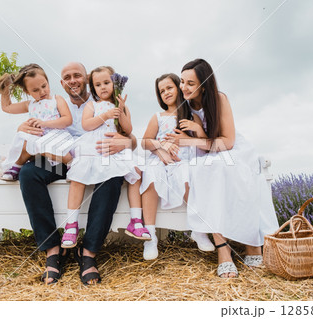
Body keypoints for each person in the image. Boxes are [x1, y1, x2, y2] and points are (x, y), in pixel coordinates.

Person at [17, 62, 137, 285]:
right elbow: (33, 133)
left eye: (77, 76)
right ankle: (54, 249)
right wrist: (23, 129)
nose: (73, 80)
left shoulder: (104, 102)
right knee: (29, 173)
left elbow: (131, 137)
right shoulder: (52, 104)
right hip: (61, 160)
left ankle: (88, 252)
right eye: (67, 77)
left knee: (112, 178)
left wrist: (127, 142)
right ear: (61, 83)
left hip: (97, 158)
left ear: (87, 79)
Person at [167, 58, 279, 278]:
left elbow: (226, 142)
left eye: (190, 83)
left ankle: (252, 244)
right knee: (199, 171)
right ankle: (223, 249)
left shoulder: (219, 99)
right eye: (182, 81)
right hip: (204, 151)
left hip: (231, 150)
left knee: (228, 170)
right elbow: (182, 138)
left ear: (204, 85)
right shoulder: (184, 105)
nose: (184, 87)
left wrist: (193, 138)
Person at [65, 66, 150, 250]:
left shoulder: (121, 105)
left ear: (114, 83)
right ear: (93, 88)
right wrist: (104, 115)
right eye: (97, 84)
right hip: (94, 145)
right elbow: (86, 125)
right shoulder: (92, 105)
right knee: (77, 176)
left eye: (106, 82)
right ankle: (71, 224)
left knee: (136, 172)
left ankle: (135, 220)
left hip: (115, 146)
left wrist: (120, 110)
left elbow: (128, 130)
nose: (102, 87)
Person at [140, 73, 214, 260]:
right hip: (160, 158)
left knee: (187, 173)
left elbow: (204, 142)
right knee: (151, 174)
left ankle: (198, 230)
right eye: (161, 91)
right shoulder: (158, 117)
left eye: (169, 88)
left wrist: (196, 130)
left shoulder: (191, 116)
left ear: (178, 88)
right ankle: (150, 235)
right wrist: (160, 148)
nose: (166, 93)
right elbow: (145, 142)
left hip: (183, 159)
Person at [0, 64, 73, 181]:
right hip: (37, 137)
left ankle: (72, 165)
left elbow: (67, 120)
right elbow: (7, 107)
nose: (42, 91)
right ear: (27, 91)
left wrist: (44, 123)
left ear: (47, 81)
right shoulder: (30, 105)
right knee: (24, 144)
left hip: (55, 135)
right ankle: (16, 166)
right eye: (35, 90)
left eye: (44, 86)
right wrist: (5, 88)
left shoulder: (56, 99)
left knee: (64, 154)